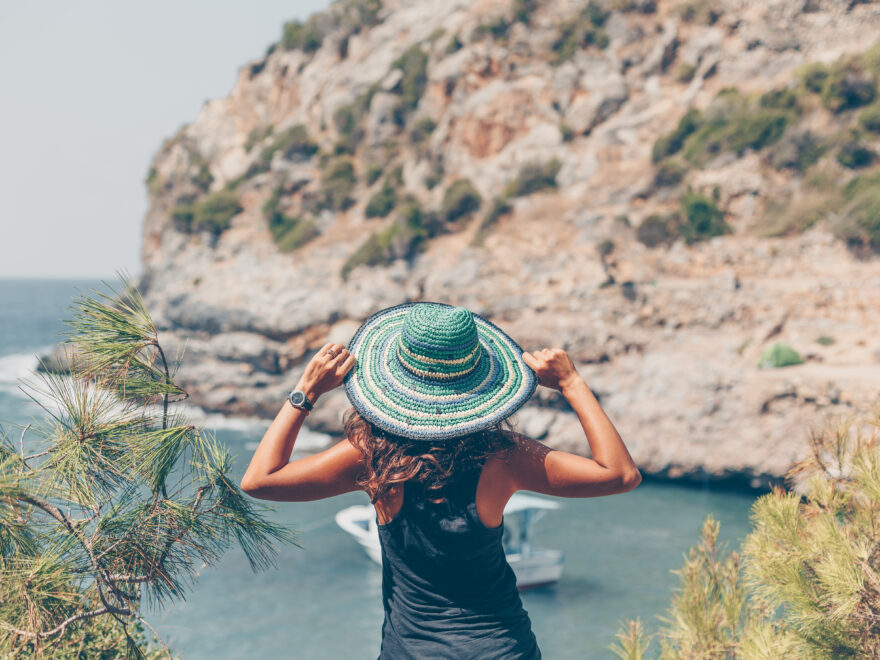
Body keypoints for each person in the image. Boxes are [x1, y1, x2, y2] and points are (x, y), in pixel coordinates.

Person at [241, 302, 641, 659]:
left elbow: (260, 480)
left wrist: (305, 392)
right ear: (478, 381)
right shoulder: (505, 456)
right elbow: (619, 474)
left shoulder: (372, 457)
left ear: (394, 378)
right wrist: (572, 383)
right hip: (504, 648)